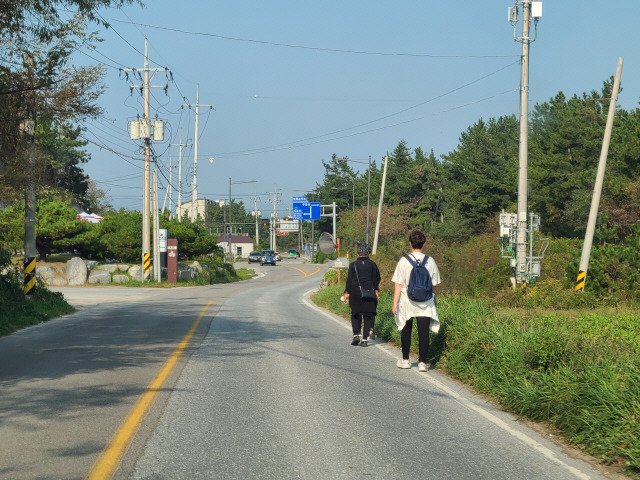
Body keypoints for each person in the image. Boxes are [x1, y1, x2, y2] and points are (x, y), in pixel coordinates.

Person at [391, 230, 441, 371]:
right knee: (423, 332)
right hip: (426, 301)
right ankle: (422, 363)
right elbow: (434, 284)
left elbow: (398, 284)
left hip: (407, 301)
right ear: (423, 243)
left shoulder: (404, 261)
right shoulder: (430, 261)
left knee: (406, 330)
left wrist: (395, 302)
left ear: (410, 243)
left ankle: (405, 360)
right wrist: (434, 299)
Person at [343, 241, 381, 347]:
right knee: (368, 315)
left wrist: (347, 292)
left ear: (358, 253)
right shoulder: (372, 264)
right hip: (369, 291)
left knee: (355, 313)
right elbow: (376, 278)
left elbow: (349, 279)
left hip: (355, 291)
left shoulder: (353, 265)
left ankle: (356, 335)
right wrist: (376, 290)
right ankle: (364, 339)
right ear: (368, 252)